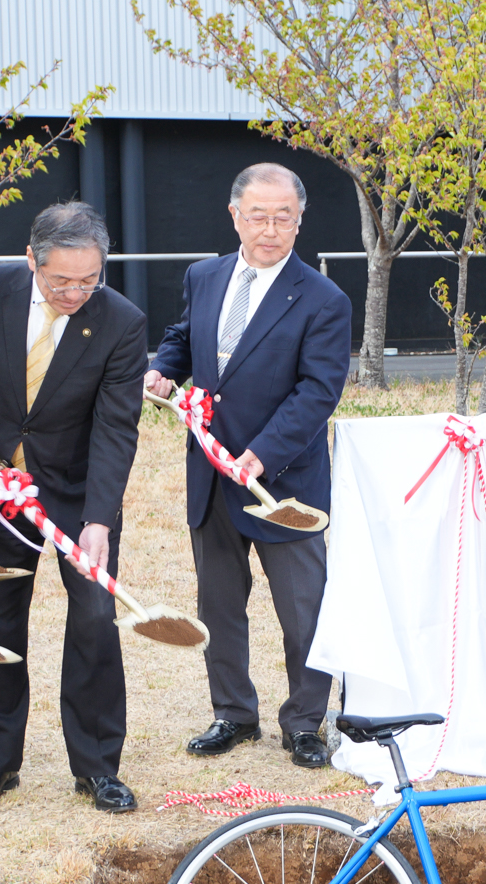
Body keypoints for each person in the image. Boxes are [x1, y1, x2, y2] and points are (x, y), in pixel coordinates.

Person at [0, 202, 148, 814]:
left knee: (95, 619)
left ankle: (98, 766)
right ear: (32, 260)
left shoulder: (122, 322)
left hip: (80, 492)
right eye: (61, 281)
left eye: (89, 280)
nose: (75, 293)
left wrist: (99, 519)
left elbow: (116, 429)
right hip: (1, 487)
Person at [144, 163, 352, 769]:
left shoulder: (324, 299)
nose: (270, 229)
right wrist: (163, 369)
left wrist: (265, 452)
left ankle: (305, 722)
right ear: (235, 215)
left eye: (283, 217)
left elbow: (318, 390)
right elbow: (184, 336)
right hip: (212, 475)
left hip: (282, 483)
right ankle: (233, 713)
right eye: (258, 216)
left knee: (303, 611)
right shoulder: (204, 276)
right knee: (219, 605)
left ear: (299, 221)